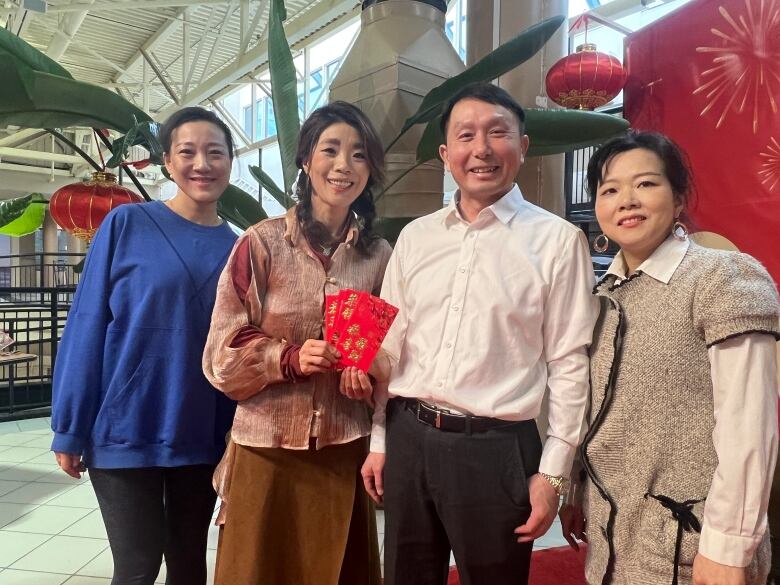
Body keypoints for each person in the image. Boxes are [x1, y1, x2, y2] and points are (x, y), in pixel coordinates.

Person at [361, 82, 598, 585]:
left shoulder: (557, 241)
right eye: (466, 135)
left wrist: (554, 473)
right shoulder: (416, 237)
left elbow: (570, 363)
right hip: (408, 435)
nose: (482, 149)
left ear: (523, 145)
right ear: (446, 154)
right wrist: (381, 438)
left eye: (498, 133)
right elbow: (392, 343)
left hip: (495, 450)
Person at [559, 131, 779, 585]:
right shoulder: (602, 297)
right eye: (610, 189)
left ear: (678, 199)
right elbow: (599, 412)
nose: (626, 200)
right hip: (613, 543)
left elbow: (749, 425)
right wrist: (578, 491)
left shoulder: (722, 278)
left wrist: (728, 547)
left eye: (646, 184)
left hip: (691, 545)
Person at [202, 101, 391, 585]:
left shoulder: (380, 257)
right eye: (330, 150)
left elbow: (394, 344)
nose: (343, 166)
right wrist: (285, 357)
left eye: (359, 154)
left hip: (342, 449)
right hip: (267, 446)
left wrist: (365, 368)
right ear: (307, 160)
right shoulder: (261, 243)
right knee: (256, 572)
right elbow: (221, 351)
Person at [50, 106, 238, 585]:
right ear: (168, 162)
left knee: (189, 563)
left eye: (215, 152)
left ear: (230, 163)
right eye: (188, 152)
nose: (202, 164)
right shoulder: (127, 225)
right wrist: (69, 427)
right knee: (136, 566)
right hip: (123, 428)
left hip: (201, 432)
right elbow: (87, 322)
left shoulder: (241, 248)